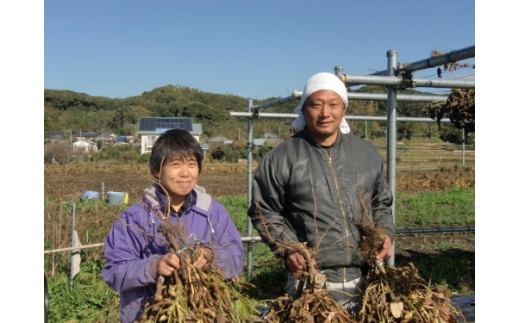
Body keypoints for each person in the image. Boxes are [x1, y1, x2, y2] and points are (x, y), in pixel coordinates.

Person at [247, 72, 395, 313]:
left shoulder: (366, 154)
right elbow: (264, 211)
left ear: (343, 109)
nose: (325, 113)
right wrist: (290, 249)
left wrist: (386, 234)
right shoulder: (281, 158)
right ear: (303, 110)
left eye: (333, 104)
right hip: (310, 279)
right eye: (316, 104)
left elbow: (381, 203)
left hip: (366, 276)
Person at [102, 128, 244, 323]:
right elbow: (113, 273)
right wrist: (153, 266)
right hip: (146, 316)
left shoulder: (213, 212)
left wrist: (212, 256)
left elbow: (236, 259)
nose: (185, 173)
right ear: (156, 170)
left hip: (202, 315)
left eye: (192, 164)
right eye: (176, 164)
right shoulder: (133, 219)